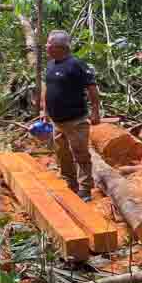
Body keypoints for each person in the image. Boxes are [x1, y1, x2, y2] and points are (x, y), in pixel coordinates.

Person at [40, 30, 101, 202]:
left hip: (76, 120)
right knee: (62, 154)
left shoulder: (77, 65)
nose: (46, 47)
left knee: (80, 154)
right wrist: (44, 112)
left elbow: (92, 88)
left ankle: (85, 188)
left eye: (49, 44)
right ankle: (70, 182)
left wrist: (96, 111)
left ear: (60, 47)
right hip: (56, 121)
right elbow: (47, 89)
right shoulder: (51, 65)